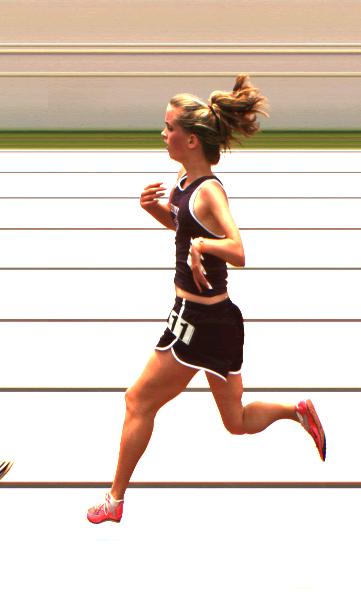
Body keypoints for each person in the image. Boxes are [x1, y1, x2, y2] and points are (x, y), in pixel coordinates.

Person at [87, 75, 326, 524]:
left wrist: (203, 246)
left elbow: (238, 250)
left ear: (191, 139)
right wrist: (155, 210)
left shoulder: (210, 191)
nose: (162, 133)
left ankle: (114, 501)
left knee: (138, 401)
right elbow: (185, 226)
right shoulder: (184, 181)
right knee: (236, 421)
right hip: (216, 321)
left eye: (169, 127)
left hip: (198, 321)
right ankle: (296, 412)